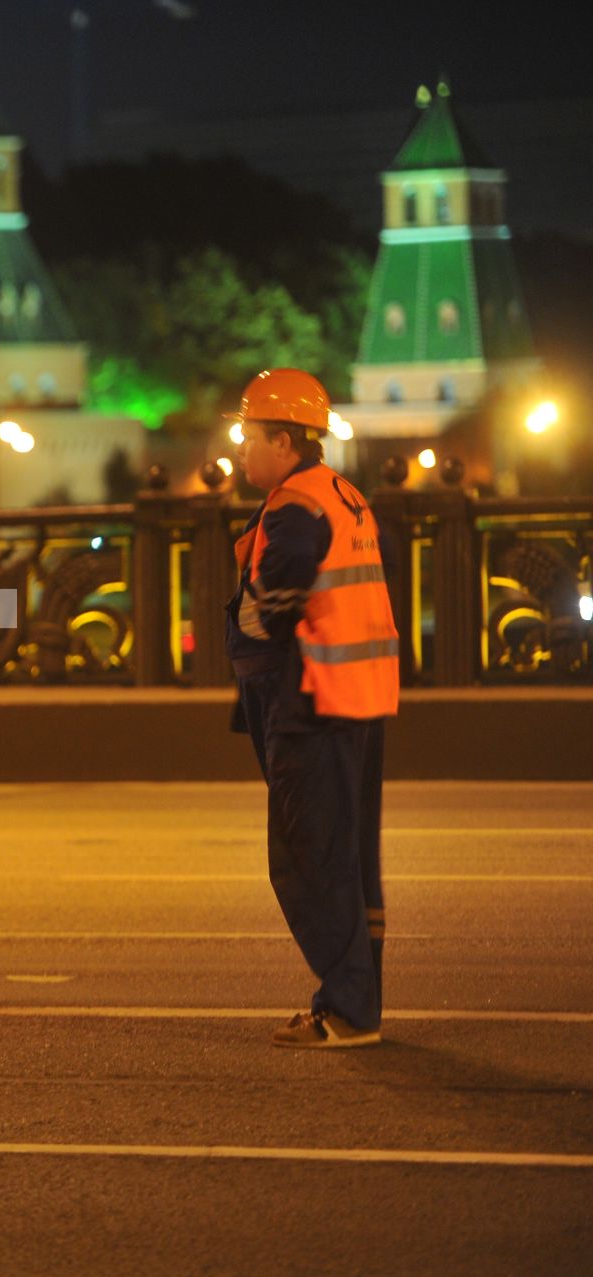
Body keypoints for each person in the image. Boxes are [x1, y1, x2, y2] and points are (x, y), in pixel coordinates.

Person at [227, 368, 397, 1049]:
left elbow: (284, 579)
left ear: (285, 440)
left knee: (307, 854)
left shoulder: (296, 503)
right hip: (359, 693)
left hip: (311, 696)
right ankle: (357, 998)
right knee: (350, 853)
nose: (243, 451)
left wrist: (260, 619)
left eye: (250, 437)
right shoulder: (345, 494)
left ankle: (349, 1008)